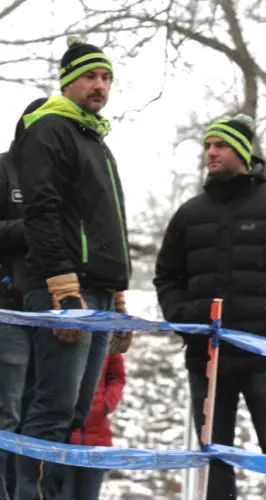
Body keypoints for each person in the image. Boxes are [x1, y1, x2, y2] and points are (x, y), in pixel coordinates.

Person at [153, 114, 266, 500]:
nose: (211, 152)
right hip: (206, 358)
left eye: (221, 145)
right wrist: (184, 320)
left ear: (243, 152)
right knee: (215, 456)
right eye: (208, 146)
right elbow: (166, 276)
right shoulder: (188, 213)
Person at [12, 36, 131, 499]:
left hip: (99, 291)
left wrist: (119, 293)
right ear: (68, 81)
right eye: (90, 76)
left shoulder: (96, 140)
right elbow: (41, 212)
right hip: (65, 288)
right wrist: (61, 284)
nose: (100, 86)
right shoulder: (50, 130)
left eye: (106, 78)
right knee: (51, 408)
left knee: (80, 412)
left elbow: (111, 223)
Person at [0, 96, 46, 498]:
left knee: (42, 415)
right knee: (8, 411)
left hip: (52, 310)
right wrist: (30, 230)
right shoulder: (3, 167)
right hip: (9, 309)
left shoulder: (62, 177)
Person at [68, 353, 126, 499]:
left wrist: (105, 404)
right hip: (58, 438)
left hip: (96, 441)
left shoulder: (108, 333)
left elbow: (117, 376)